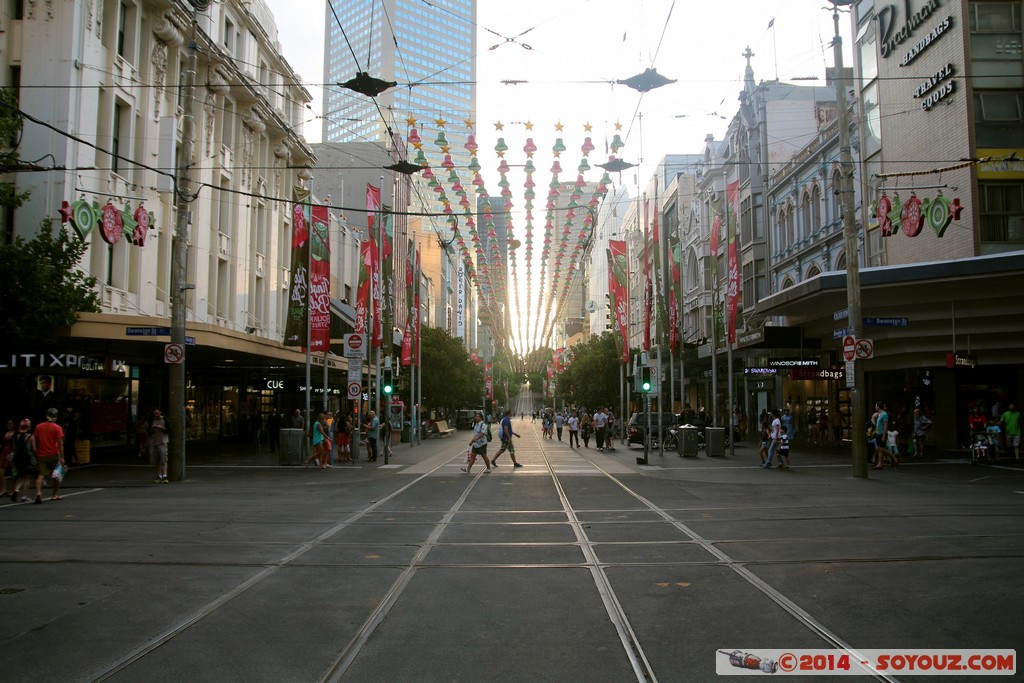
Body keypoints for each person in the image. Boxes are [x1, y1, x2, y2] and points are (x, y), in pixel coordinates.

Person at [32, 407, 66, 501]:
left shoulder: (38, 427)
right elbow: (60, 444)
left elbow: (34, 439)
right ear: (55, 417)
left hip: (41, 454)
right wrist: (62, 457)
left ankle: (38, 493)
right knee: (56, 475)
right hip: (54, 454)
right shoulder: (57, 428)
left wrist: (35, 450)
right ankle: (54, 494)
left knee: (41, 474)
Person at [9, 419, 35, 503]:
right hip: (27, 458)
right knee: (27, 477)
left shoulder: (16, 436)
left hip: (17, 459)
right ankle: (24, 496)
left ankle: (16, 490)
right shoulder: (30, 437)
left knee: (20, 476)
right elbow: (34, 449)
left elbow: (14, 448)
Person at [872, 402, 896, 469]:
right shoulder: (879, 414)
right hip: (878, 433)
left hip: (882, 433)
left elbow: (886, 426)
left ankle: (893, 457)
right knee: (880, 449)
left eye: (876, 406)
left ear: (879, 407)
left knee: (880, 448)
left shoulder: (884, 414)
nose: (875, 407)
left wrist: (884, 435)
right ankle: (880, 464)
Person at [149, 408, 170, 483]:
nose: (156, 415)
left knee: (163, 459)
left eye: (157, 413)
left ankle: (164, 476)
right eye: (155, 414)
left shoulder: (165, 420)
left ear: (160, 413)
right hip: (154, 442)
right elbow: (149, 431)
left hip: (162, 441)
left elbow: (169, 430)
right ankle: (159, 476)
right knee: (156, 460)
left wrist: (162, 428)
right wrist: (152, 428)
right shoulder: (152, 420)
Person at [0, 418, 16, 497]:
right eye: (8, 423)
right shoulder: (5, 433)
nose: (9, 425)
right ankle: (3, 489)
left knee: (13, 472)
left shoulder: (15, 433)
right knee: (1, 471)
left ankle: (14, 490)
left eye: (11, 423)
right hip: (4, 452)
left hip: (12, 452)